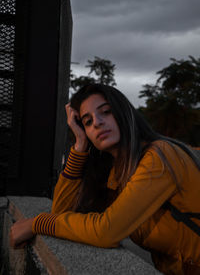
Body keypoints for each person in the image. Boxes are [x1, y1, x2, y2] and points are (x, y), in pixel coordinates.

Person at [10, 84, 200, 274]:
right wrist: (80, 145)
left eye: (106, 112)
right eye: (87, 122)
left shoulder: (160, 156)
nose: (97, 123)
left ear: (123, 112)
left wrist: (36, 223)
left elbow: (106, 232)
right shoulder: (116, 175)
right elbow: (60, 212)